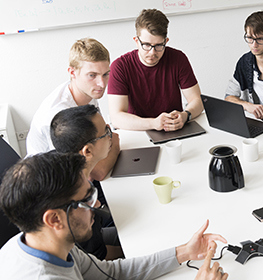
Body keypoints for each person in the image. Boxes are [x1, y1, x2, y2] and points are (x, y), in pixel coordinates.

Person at [0, 152, 229, 280]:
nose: (96, 204)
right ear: (54, 219)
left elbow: (111, 273)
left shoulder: (44, 242)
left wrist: (184, 252)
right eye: (86, 200)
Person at [25, 38, 120, 182]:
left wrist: (109, 142)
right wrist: (115, 143)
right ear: (72, 72)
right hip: (51, 185)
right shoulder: (59, 116)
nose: (101, 84)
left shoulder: (88, 91)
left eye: (106, 74)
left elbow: (101, 143)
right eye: (92, 75)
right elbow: (95, 173)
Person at [108, 8, 203, 132]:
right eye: (146, 45)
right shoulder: (120, 67)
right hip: (137, 132)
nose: (152, 52)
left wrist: (186, 115)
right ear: (136, 41)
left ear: (166, 42)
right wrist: (153, 123)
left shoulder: (178, 58)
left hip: (174, 131)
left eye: (158, 46)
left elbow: (197, 100)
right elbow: (116, 118)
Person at [50, 105, 123, 260]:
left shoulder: (58, 164)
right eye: (106, 132)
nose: (111, 135)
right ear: (87, 151)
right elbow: (100, 259)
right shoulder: (77, 208)